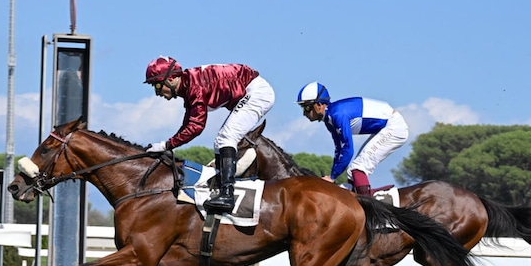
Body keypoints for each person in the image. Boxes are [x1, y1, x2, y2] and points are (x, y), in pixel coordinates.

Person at [144, 56, 275, 212]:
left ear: (171, 79)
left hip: (257, 92)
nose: (157, 93)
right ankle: (221, 187)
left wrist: (167, 145)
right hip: (253, 88)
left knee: (226, 137)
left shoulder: (194, 87)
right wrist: (166, 144)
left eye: (157, 85)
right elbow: (188, 123)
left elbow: (196, 126)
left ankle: (227, 194)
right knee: (221, 141)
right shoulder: (189, 85)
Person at [296, 81, 409, 196]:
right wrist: (332, 175)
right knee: (351, 172)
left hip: (394, 126)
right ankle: (359, 199)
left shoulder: (337, 116)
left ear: (319, 105)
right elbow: (339, 149)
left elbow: (348, 149)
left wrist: (332, 177)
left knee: (358, 168)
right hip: (387, 126)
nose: (304, 113)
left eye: (307, 107)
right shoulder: (329, 120)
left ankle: (369, 206)